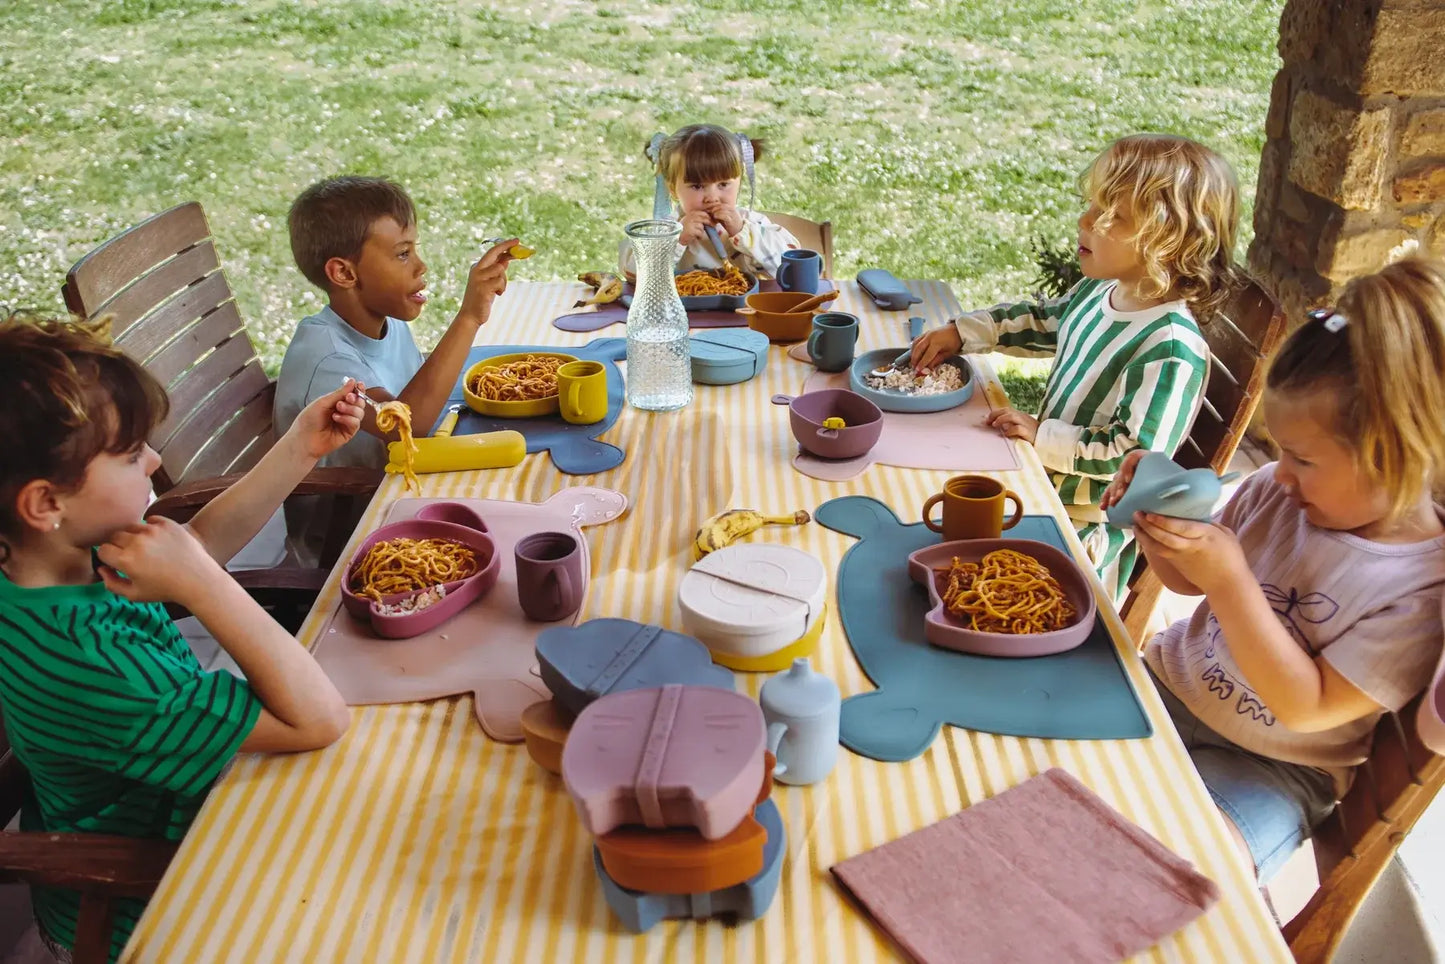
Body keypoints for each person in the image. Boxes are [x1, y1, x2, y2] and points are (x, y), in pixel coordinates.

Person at [0, 313, 360, 960]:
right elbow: (319, 720)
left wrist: (298, 448)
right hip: (153, 903)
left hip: (180, 805)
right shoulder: (96, 664)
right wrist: (206, 588)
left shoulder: (42, 562)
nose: (156, 460)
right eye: (132, 453)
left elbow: (192, 548)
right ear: (44, 503)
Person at [1101, 256, 1445, 882]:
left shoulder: (1422, 587)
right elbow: (1187, 581)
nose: (1279, 472)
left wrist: (1230, 579)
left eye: (1303, 459)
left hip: (1276, 770)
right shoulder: (1275, 490)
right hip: (1168, 691)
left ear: (1399, 455)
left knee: (1184, 873)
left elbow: (1305, 708)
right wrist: (1159, 528)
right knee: (1047, 773)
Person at [910, 134, 1240, 594]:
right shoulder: (1100, 291)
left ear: (1167, 243)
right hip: (1037, 484)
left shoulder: (1169, 349)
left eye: (1112, 217)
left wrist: (1042, 434)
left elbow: (1131, 457)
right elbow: (1045, 321)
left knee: (937, 543)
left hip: (1077, 535)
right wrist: (965, 332)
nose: (1085, 221)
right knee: (922, 478)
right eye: (1092, 205)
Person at [276, 175, 517, 469]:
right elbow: (405, 430)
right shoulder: (328, 358)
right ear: (344, 273)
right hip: (359, 508)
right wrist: (468, 317)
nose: (421, 265)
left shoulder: (387, 322)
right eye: (403, 254)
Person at [620, 123, 799, 278]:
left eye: (723, 184)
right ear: (673, 189)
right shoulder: (665, 229)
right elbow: (632, 273)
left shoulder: (752, 223)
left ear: (739, 183)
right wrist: (676, 239)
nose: (712, 198)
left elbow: (791, 266)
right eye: (697, 186)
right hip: (681, 314)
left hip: (744, 314)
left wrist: (742, 231)